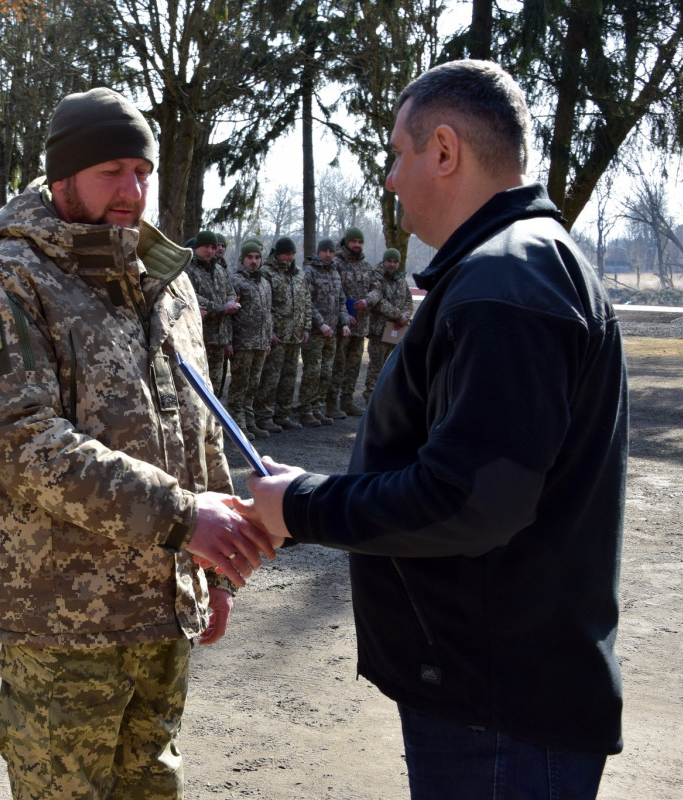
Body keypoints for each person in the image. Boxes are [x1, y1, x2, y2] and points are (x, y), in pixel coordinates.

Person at [243, 60, 627, 798]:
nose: (390, 178)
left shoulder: (506, 282)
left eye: (397, 152)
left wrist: (300, 505)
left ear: (443, 151)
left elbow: (469, 499)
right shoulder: (512, 268)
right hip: (498, 689)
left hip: (500, 708)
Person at [0, 87, 275, 800]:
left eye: (142, 172)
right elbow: (19, 438)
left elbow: (197, 424)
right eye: (110, 173)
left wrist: (210, 572)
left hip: (160, 604)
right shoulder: (5, 282)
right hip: (64, 617)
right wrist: (184, 519)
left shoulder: (163, 282)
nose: (131, 192)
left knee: (152, 785)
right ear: (62, 177)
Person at [253, 236, 310, 432]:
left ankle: (283, 414)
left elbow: (306, 302)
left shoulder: (299, 274)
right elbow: (264, 306)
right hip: (277, 336)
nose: (290, 257)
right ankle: (264, 415)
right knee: (271, 377)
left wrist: (306, 327)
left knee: (289, 378)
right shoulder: (267, 273)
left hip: (294, 336)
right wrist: (270, 332)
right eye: (287, 254)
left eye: (293, 254)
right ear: (278, 254)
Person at [298, 238, 349, 426]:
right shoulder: (309, 272)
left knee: (326, 372)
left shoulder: (335, 272)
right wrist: (320, 323)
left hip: (332, 332)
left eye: (331, 251)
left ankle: (318, 408)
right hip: (315, 332)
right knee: (313, 371)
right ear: (318, 252)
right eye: (325, 251)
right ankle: (305, 410)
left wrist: (344, 322)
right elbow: (307, 301)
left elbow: (341, 300)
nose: (328, 254)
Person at [227, 239, 273, 439]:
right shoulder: (235, 281)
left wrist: (268, 338)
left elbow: (268, 312)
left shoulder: (264, 282)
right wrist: (229, 341)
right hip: (242, 342)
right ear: (242, 259)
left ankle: (249, 420)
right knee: (240, 384)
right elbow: (229, 316)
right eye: (250, 257)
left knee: (253, 384)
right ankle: (236, 424)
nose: (254, 261)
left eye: (257, 257)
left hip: (260, 343)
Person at [184, 229, 238, 393]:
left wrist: (230, 303)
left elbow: (231, 292)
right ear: (197, 247)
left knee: (216, 386)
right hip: (200, 337)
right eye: (205, 246)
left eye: (213, 247)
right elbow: (191, 296)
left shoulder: (220, 270)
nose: (210, 251)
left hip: (219, 338)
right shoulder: (188, 269)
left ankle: (214, 418)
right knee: (197, 385)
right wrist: (221, 308)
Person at [362, 248, 414, 403]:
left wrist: (405, 316)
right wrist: (398, 315)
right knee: (376, 367)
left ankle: (387, 399)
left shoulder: (401, 281)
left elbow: (408, 301)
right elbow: (378, 303)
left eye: (395, 261)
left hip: (396, 331)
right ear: (384, 261)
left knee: (393, 367)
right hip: (379, 331)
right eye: (389, 261)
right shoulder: (375, 277)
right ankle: (371, 398)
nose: (392, 264)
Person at [331, 227, 372, 416]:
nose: (357, 245)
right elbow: (334, 291)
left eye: (360, 242)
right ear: (346, 242)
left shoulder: (366, 265)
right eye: (354, 241)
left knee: (354, 365)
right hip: (343, 324)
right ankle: (331, 403)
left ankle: (347, 401)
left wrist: (369, 299)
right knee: (338, 364)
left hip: (361, 325)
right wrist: (345, 313)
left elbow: (377, 287)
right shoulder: (336, 263)